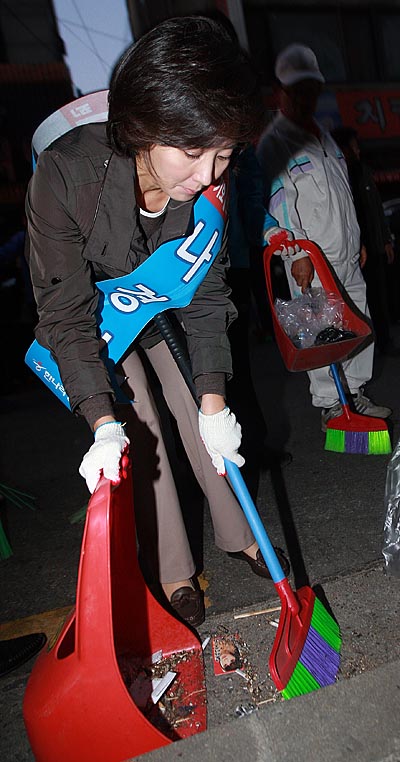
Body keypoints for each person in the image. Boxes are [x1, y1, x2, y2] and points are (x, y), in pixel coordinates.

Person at [25, 17, 290, 629]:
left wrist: (216, 404)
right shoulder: (65, 179)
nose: (208, 175)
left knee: (198, 401)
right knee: (136, 415)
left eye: (224, 154)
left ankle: (241, 533)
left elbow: (205, 296)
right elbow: (64, 312)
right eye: (194, 153)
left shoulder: (206, 190)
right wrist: (100, 421)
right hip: (97, 315)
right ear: (145, 130)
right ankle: (174, 569)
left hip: (163, 301)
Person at [256, 43, 392, 432]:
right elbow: (278, 201)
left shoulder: (327, 137)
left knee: (359, 322)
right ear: (281, 91)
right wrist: (295, 251)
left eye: (311, 89)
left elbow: (344, 196)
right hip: (310, 260)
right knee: (322, 331)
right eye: (296, 90)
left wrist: (359, 238)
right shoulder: (275, 142)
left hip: (346, 253)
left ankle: (356, 393)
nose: (305, 98)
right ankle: (332, 405)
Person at [330, 125, 399, 357]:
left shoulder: (364, 171)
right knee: (360, 300)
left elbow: (377, 211)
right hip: (355, 249)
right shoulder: (339, 174)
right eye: (353, 146)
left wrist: (386, 240)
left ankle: (384, 342)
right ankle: (364, 346)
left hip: (375, 246)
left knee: (380, 296)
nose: (357, 151)